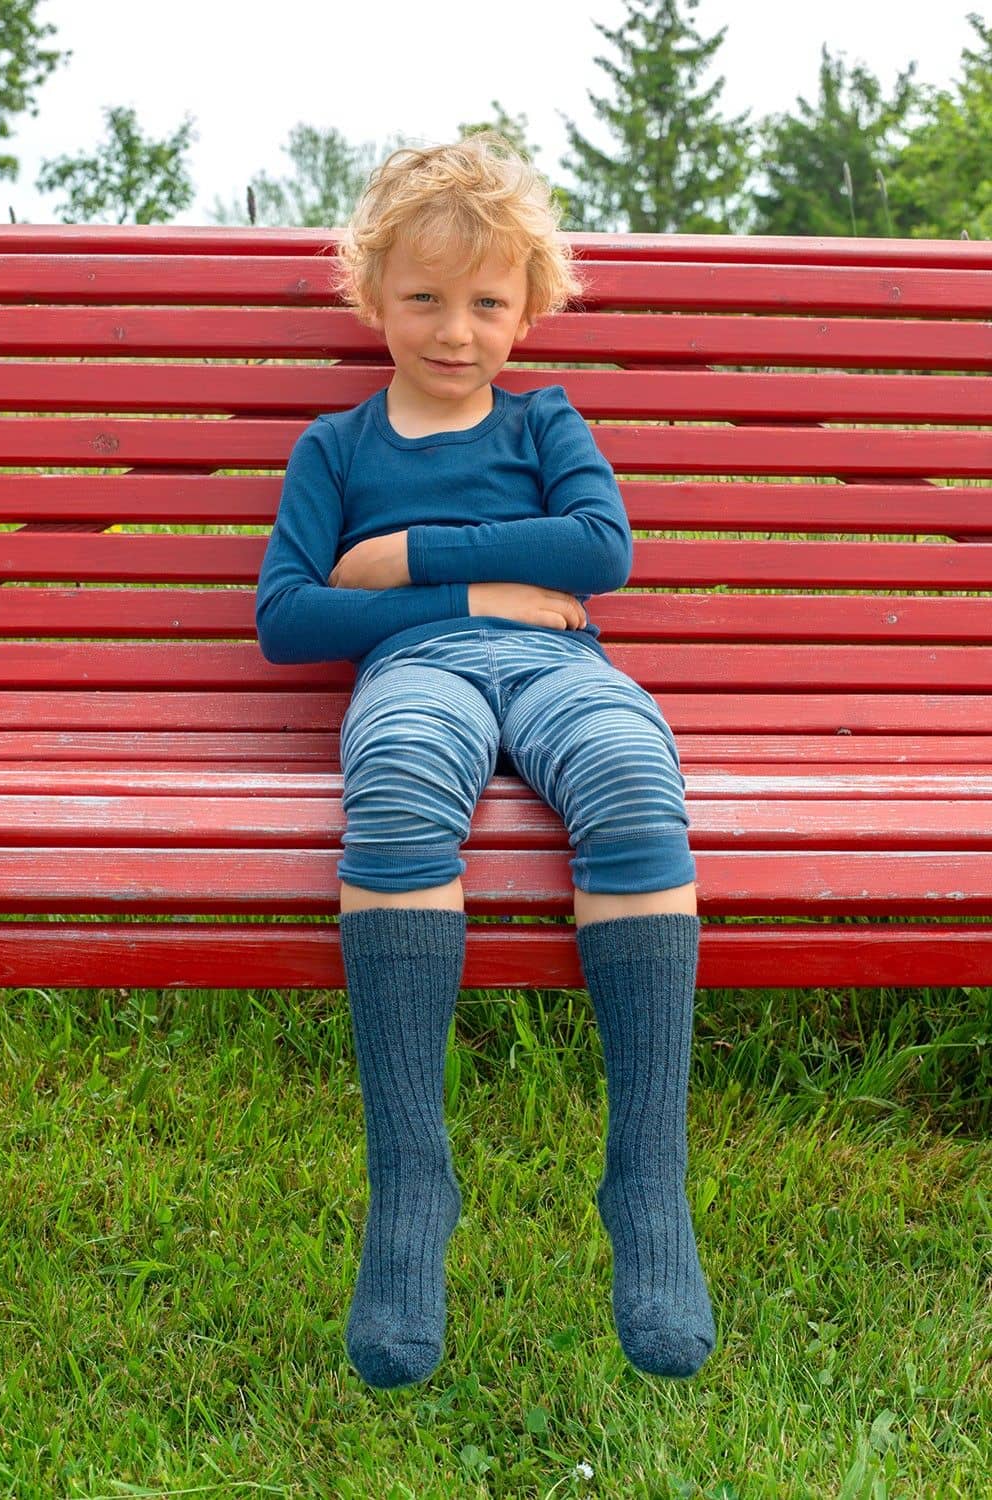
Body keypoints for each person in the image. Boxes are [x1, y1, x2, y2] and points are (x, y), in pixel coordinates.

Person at [255, 130, 716, 1391]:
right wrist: (471, 602)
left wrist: (408, 556)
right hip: (419, 676)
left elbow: (601, 549)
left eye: (486, 302)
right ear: (371, 297)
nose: (454, 329)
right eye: (423, 297)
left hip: (567, 672)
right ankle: (411, 1191)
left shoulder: (545, 418)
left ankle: (646, 1189)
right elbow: (289, 616)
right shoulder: (338, 452)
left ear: (529, 308)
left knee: (631, 776)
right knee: (398, 781)